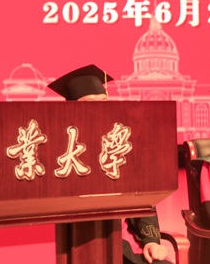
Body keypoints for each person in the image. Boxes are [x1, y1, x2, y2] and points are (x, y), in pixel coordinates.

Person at [48, 64, 171, 264]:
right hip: (72, 246)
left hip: (116, 244)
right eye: (90, 103)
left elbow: (139, 197)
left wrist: (150, 240)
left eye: (104, 102)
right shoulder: (59, 149)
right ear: (71, 108)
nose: (101, 109)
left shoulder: (119, 145)